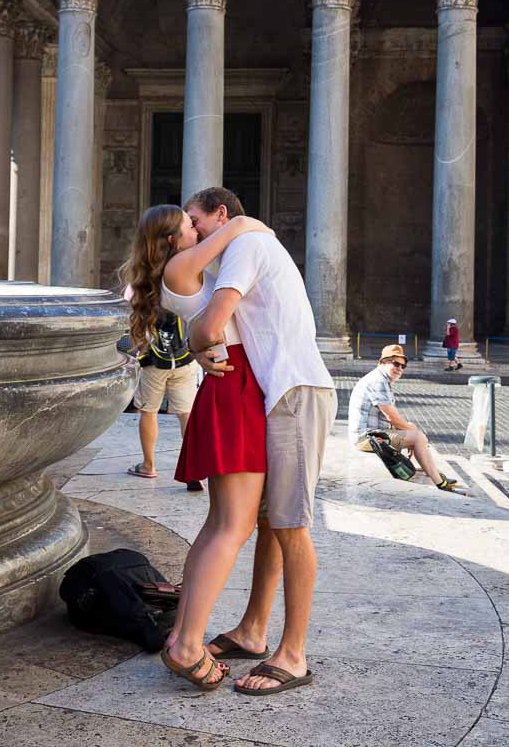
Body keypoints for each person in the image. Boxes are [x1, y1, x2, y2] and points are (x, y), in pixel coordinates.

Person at [184, 187, 338, 697]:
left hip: (294, 389)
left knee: (291, 526)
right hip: (285, 390)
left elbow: (209, 325)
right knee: (272, 522)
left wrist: (197, 345)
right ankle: (253, 630)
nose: (194, 231)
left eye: (196, 220)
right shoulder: (251, 243)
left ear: (222, 214)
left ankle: (293, 654)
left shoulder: (245, 246)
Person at [120, 204, 270, 691]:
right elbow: (241, 229)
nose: (198, 227)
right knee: (233, 527)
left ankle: (183, 635)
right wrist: (240, 224)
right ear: (173, 240)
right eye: (190, 225)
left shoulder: (180, 270)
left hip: (228, 388)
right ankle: (186, 646)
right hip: (234, 392)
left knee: (218, 526)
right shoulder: (182, 266)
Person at [348, 344, 458, 492]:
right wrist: (416, 435)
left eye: (403, 366)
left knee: (413, 431)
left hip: (372, 434)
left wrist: (411, 430)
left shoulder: (381, 379)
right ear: (382, 363)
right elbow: (391, 417)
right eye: (396, 364)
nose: (400, 368)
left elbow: (392, 417)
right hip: (366, 439)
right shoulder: (378, 382)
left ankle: (429, 470)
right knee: (418, 437)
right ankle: (439, 482)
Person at [125, 299, 202, 491]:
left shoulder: (146, 290)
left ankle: (148, 466)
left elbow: (134, 328)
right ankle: (193, 470)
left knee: (149, 411)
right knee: (186, 414)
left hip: (154, 364)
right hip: (185, 361)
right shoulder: (182, 287)